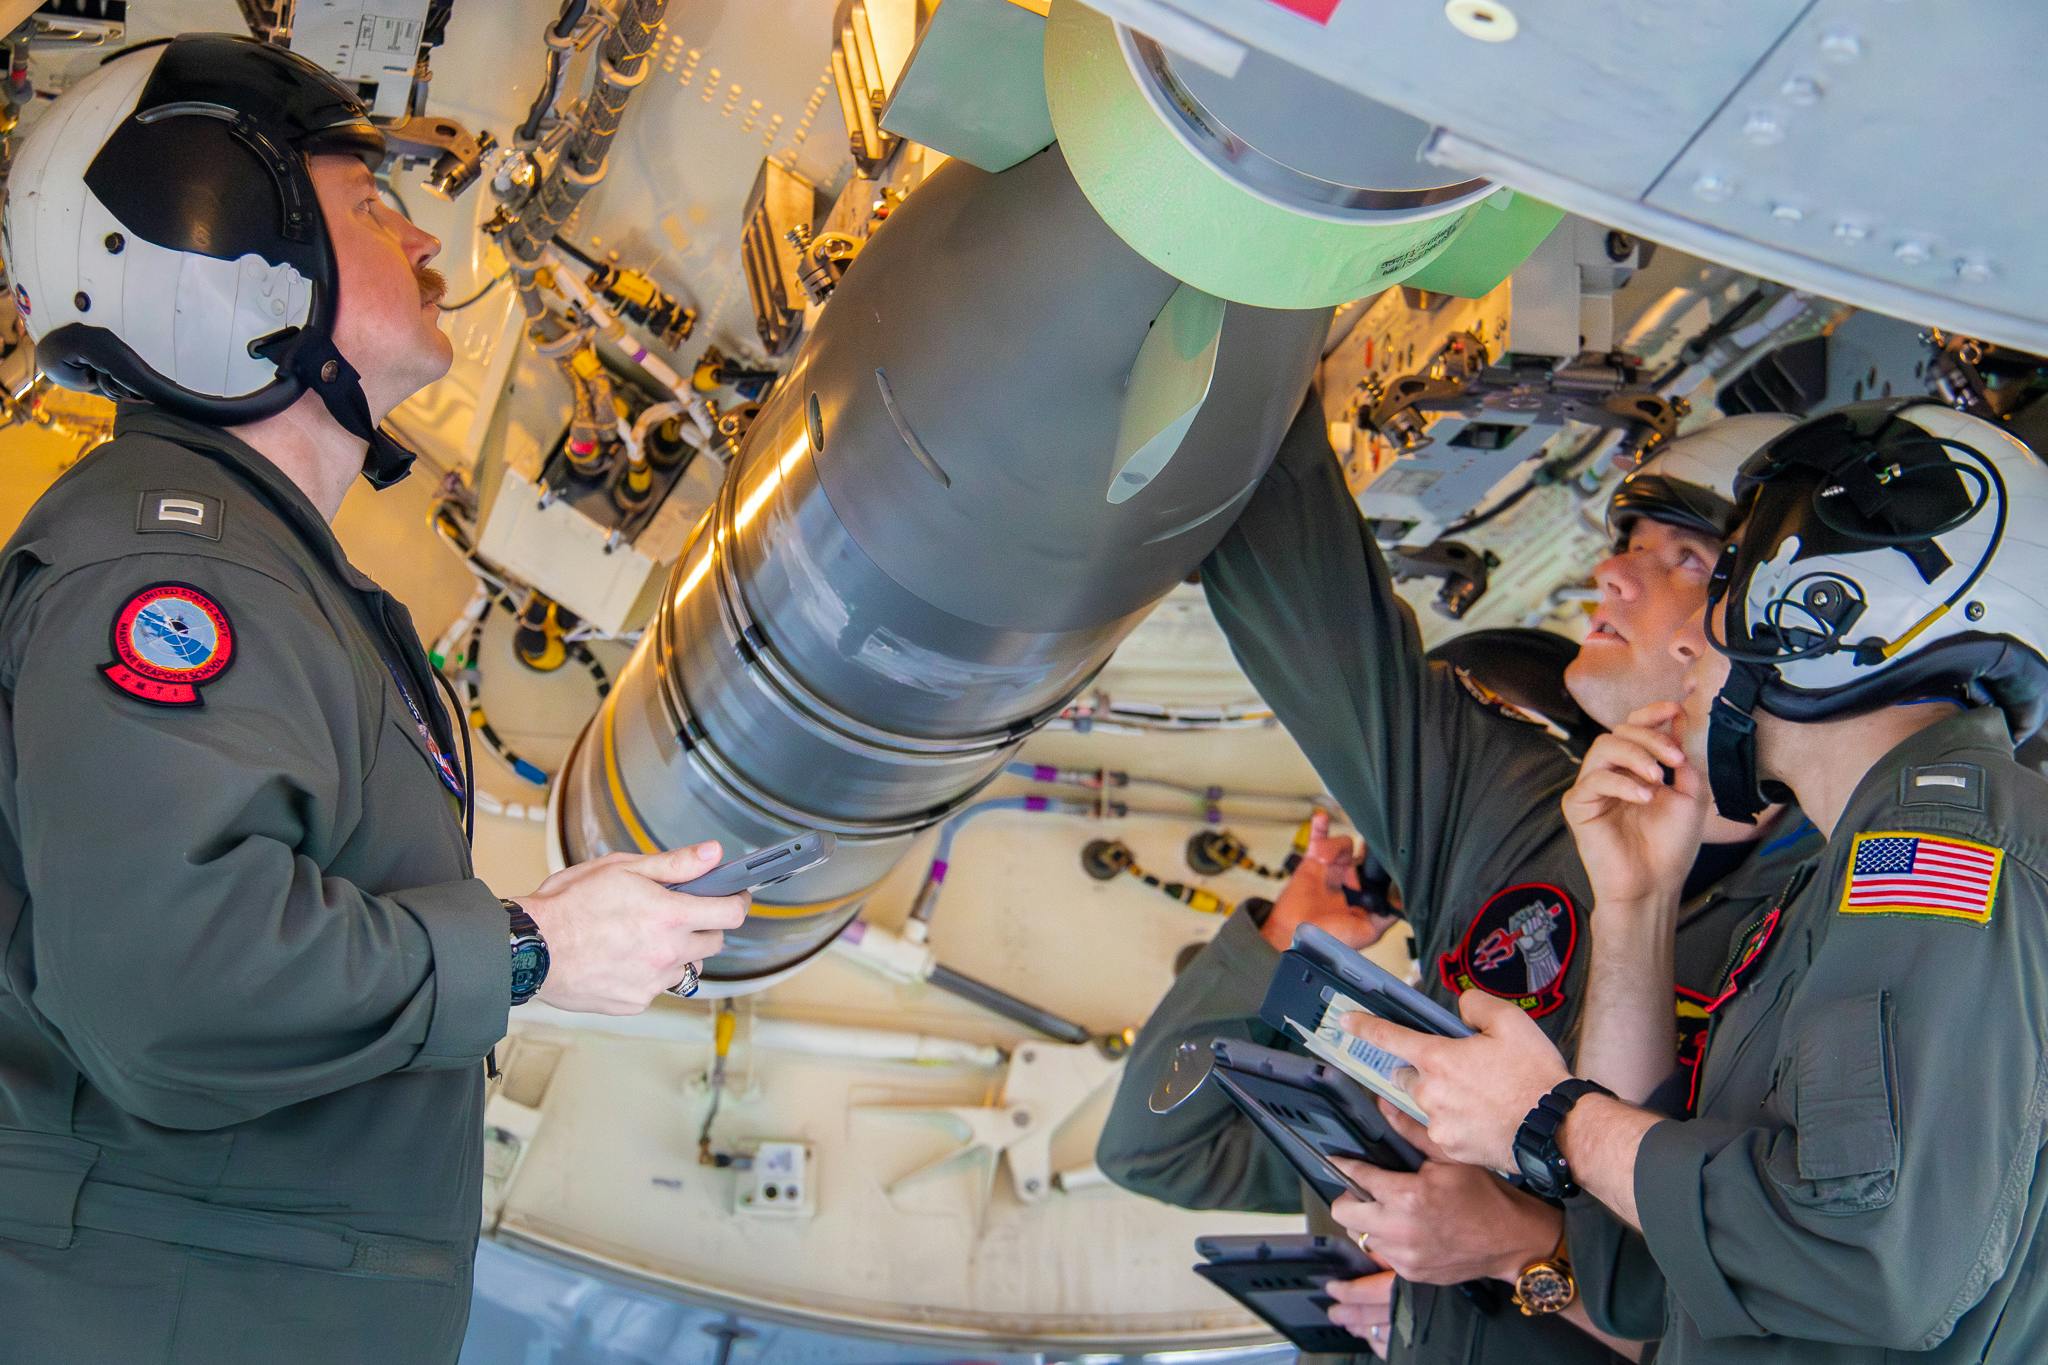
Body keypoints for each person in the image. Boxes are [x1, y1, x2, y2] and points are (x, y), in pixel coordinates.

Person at [0, 36, 741, 1364]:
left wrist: (528, 949)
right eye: (372, 205)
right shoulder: (173, 569)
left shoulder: (258, 570)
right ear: (232, 257)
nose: (427, 240)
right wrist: (530, 952)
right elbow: (175, 986)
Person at [1095, 392, 1818, 1362]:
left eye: (1683, 559)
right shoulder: (1499, 802)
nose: (1611, 573)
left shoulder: (1838, 928)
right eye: (1630, 544)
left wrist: (1524, 1250)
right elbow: (1299, 581)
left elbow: (1814, 1321)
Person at [1355, 400, 2048, 1362]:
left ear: (1832, 611)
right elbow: (1639, 1270)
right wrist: (1636, 904)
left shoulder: (1939, 851)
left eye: (1726, 584)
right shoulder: (1848, 876)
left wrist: (1550, 1118)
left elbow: (1867, 1257)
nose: (1689, 641)